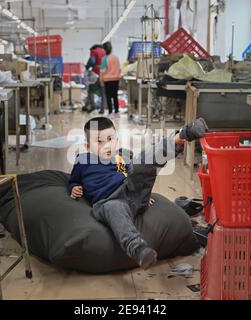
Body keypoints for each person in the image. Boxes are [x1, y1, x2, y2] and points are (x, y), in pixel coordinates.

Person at [68, 117, 209, 269]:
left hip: (131, 192)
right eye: (99, 141)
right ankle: (139, 249)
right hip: (109, 201)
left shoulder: (119, 158)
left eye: (110, 139)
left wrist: (144, 193)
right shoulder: (83, 161)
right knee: (114, 209)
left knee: (142, 160)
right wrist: (74, 187)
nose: (106, 145)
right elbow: (73, 179)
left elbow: (136, 174)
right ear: (88, 146)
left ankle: (182, 136)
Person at [83, 45, 107, 114]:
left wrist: (87, 67)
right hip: (104, 74)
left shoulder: (94, 51)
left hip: (96, 74)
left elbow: (92, 61)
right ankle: (102, 109)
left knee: (91, 90)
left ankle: (92, 105)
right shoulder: (105, 52)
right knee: (103, 93)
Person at [100, 42, 121, 117]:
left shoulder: (105, 59)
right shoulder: (116, 57)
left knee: (108, 96)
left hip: (107, 80)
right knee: (115, 96)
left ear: (104, 50)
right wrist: (118, 77)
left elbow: (102, 71)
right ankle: (117, 112)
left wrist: (101, 80)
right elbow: (119, 69)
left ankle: (110, 112)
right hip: (116, 79)